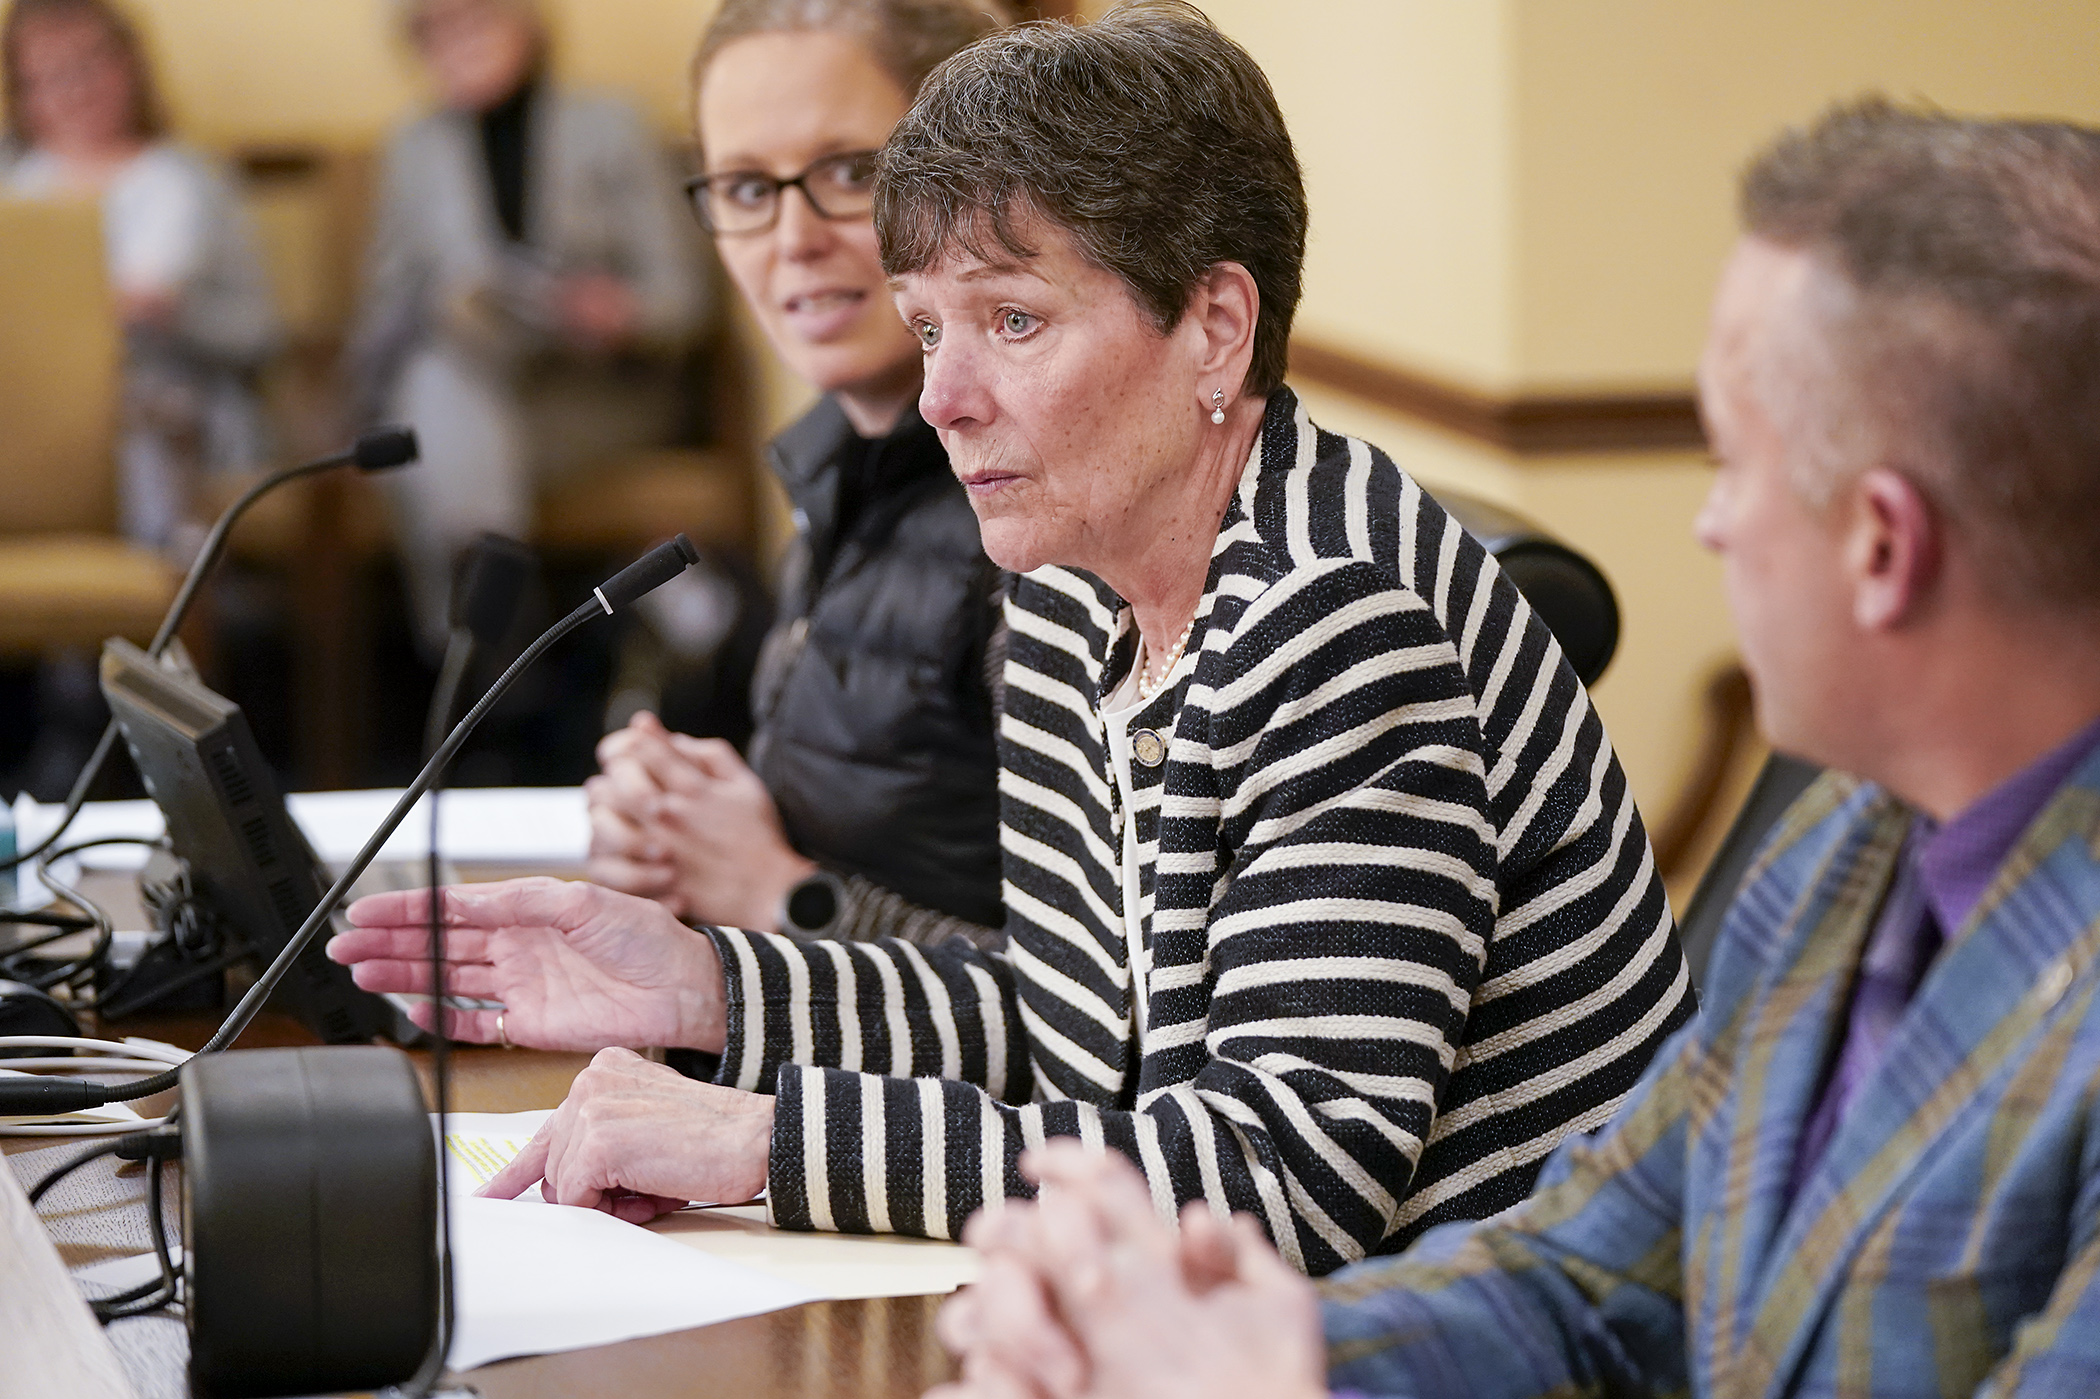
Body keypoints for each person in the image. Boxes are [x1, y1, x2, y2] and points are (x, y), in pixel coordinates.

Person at [328, 1, 1689, 1268]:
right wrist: (710, 985)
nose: (942, 399)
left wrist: (762, 1140)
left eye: (1012, 321)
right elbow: (1067, 1025)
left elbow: (1290, 1178)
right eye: (927, 328)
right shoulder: (1073, 589)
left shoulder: (1334, 613)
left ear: (1217, 324)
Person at [931, 98, 2100, 1399]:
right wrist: (1269, 1351)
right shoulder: (1850, 837)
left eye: (1733, 465)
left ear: (1883, 547)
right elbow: (1586, 1276)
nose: (1711, 526)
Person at [583, 0, 1012, 946]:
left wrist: (778, 894)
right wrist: (679, 841)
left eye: (852, 172)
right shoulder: (834, 462)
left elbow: (1107, 1023)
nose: (791, 237)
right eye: (743, 187)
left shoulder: (1038, 514)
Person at [348, 0, 708, 649]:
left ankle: (478, 635)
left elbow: (684, 299)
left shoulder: (611, 125)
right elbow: (381, 312)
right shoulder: (414, 148)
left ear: (527, 21)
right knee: (438, 374)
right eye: (437, 29)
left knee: (433, 433)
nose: (459, 41)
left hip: (590, 392)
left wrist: (619, 311)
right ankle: (501, 627)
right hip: (467, 377)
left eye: (476, 18)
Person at [0, 0, 280, 554]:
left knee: (138, 425)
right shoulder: (15, 187)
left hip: (172, 410)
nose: (74, 91)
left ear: (131, 64)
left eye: (89, 65)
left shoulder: (187, 178)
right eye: (49, 77)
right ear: (21, 92)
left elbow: (260, 333)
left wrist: (172, 316)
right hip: (26, 414)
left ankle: (143, 618)